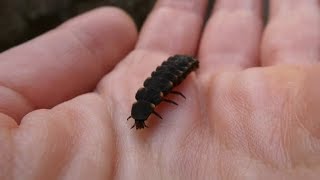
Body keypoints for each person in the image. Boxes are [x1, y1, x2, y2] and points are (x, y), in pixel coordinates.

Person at [0, 0, 319, 179]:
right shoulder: (155, 97)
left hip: (181, 64)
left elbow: (169, 86)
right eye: (141, 119)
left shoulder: (162, 91)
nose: (140, 123)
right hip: (175, 68)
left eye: (141, 118)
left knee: (169, 79)